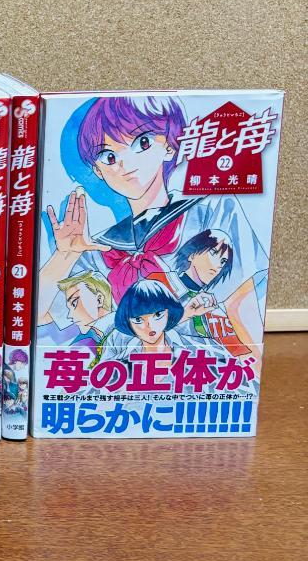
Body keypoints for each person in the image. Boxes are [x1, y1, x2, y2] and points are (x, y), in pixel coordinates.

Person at [38, 95, 267, 363]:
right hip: (123, 375)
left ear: (169, 146)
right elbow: (38, 316)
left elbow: (240, 306)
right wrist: (64, 256)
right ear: (98, 171)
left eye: (142, 143)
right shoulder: (96, 248)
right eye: (108, 156)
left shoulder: (211, 210)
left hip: (198, 370)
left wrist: (254, 370)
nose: (124, 163)